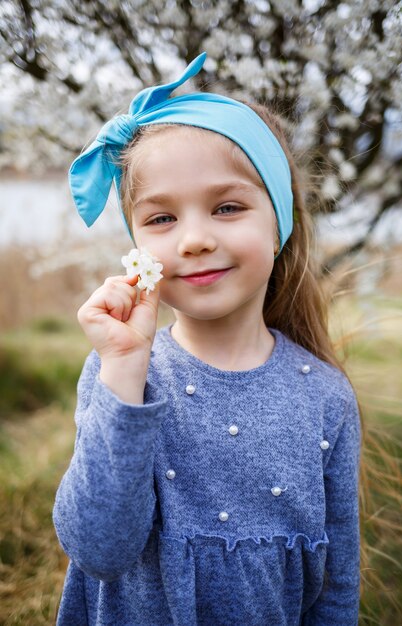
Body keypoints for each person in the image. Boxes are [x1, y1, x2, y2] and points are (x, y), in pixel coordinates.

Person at [53, 52, 362, 625]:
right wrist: (123, 366)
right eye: (161, 219)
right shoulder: (120, 374)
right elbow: (98, 550)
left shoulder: (326, 397)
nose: (194, 239)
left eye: (227, 207)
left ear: (279, 226)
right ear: (137, 247)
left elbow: (337, 586)